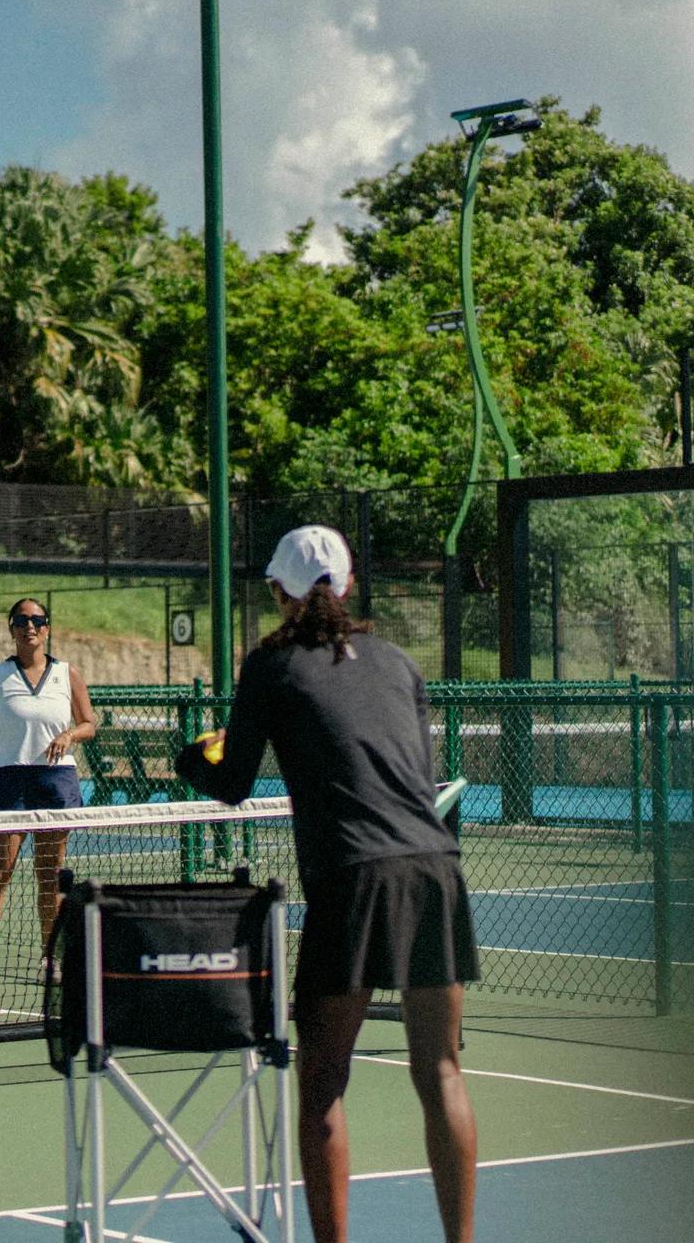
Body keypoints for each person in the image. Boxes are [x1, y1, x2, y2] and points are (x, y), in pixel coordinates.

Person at [177, 526, 477, 1243]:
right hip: (436, 869)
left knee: (321, 1079)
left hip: (352, 878)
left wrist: (192, 757)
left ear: (280, 592)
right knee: (441, 1072)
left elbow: (232, 782)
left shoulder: (271, 666)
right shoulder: (401, 663)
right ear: (345, 588)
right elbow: (415, 775)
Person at [0, 598, 97, 983]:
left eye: (38, 620)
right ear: (11, 628)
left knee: (51, 876)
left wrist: (69, 734)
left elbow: (89, 722)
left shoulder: (66, 673)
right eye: (22, 620)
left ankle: (51, 959)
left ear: (47, 629)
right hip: (9, 781)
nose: (30, 627)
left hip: (55, 782)